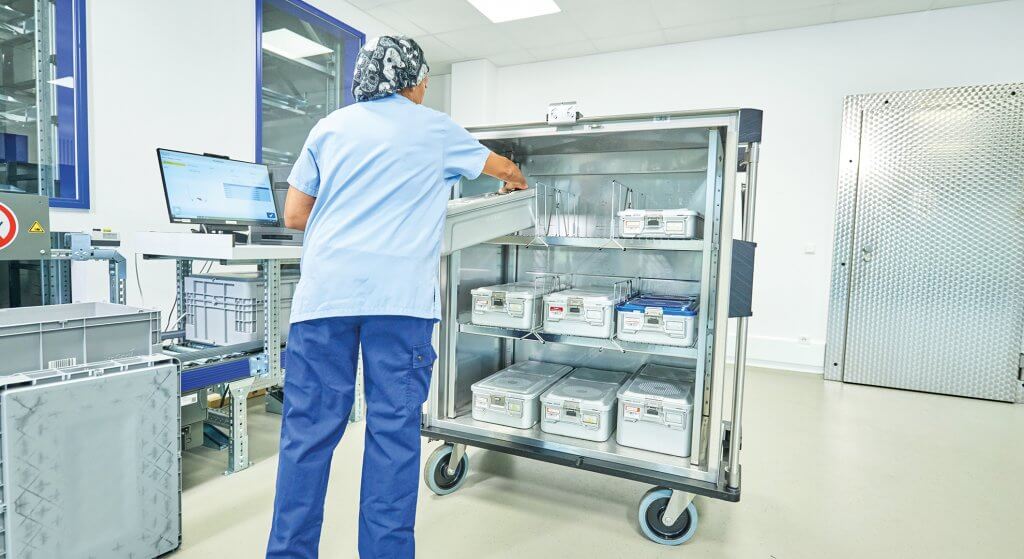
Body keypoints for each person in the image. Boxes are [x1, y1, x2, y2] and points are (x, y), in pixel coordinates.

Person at [265, 36, 528, 559]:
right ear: (412, 81)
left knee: (307, 436)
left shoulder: (329, 127)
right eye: (425, 82)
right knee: (392, 434)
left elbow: (294, 217)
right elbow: (504, 170)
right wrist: (515, 184)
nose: (425, 90)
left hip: (325, 301)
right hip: (399, 304)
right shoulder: (435, 129)